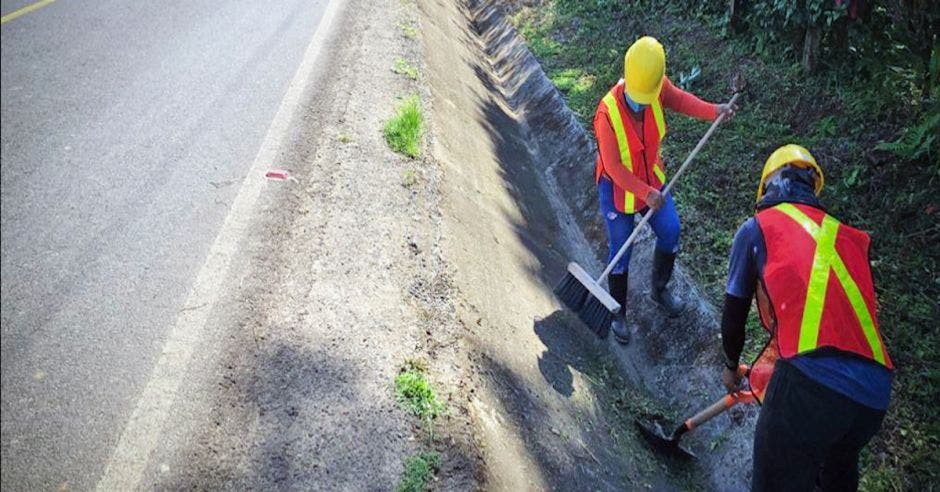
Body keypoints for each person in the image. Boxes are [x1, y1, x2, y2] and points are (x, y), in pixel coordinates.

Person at [719, 144, 893, 491]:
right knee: (833, 476)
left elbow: (734, 312)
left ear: (767, 186)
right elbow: (832, 325)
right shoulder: (845, 236)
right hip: (872, 397)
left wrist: (729, 367)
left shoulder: (758, 228)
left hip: (810, 384)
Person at [593, 36, 736, 343]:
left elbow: (682, 100)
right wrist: (645, 194)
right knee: (621, 250)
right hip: (618, 191)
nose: (643, 101)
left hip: (652, 181)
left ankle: (660, 289)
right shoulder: (606, 114)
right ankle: (618, 311)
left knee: (671, 230)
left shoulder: (657, 88)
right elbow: (614, 167)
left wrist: (715, 111)